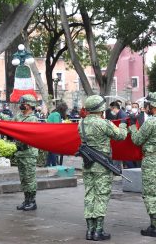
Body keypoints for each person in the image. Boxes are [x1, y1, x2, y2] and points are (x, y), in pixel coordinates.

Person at [79, 95, 127, 241]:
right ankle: (98, 231)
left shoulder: (80, 123)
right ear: (100, 109)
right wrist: (124, 124)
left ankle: (89, 231)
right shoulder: (103, 123)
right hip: (102, 165)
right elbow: (120, 136)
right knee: (101, 195)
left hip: (87, 164)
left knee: (89, 195)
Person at [129, 92, 156, 237]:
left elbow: (137, 140)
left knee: (151, 194)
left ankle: (154, 226)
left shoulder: (151, 122)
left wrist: (133, 125)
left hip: (152, 161)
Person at [12, 94, 39, 211]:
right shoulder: (19, 116)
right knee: (23, 178)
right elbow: (10, 124)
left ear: (29, 105)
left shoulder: (34, 119)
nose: (21, 105)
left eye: (24, 103)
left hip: (29, 152)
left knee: (29, 177)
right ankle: (26, 199)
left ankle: (32, 201)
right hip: (20, 152)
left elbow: (31, 135)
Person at [46, 102, 68, 166]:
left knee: (50, 151)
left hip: (49, 134)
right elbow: (57, 126)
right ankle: (54, 166)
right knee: (53, 151)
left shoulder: (53, 113)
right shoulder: (56, 114)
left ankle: (47, 165)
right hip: (53, 135)